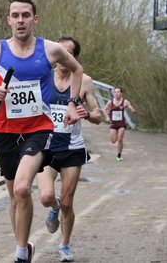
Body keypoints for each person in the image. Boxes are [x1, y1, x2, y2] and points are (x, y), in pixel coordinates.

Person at [0, 0, 84, 262]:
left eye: (26, 15)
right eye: (15, 15)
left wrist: (72, 104)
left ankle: (21, 256)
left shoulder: (50, 49)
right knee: (14, 197)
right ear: (8, 20)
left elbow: (77, 69)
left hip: (39, 130)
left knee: (22, 189)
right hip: (5, 131)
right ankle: (25, 247)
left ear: (35, 19)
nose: (21, 20)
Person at [36, 35, 101, 262]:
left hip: (72, 148)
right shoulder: (43, 77)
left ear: (75, 57)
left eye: (69, 53)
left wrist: (88, 114)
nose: (64, 57)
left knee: (67, 202)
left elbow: (98, 116)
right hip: (46, 148)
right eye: (60, 51)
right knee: (46, 197)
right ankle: (52, 209)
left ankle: (64, 245)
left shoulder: (85, 81)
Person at [102, 87, 136, 161]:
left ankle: (119, 154)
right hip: (113, 123)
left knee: (120, 139)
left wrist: (132, 109)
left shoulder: (125, 102)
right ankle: (115, 135)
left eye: (118, 92)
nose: (116, 94)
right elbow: (104, 109)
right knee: (113, 141)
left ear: (121, 93)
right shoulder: (110, 102)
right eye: (115, 92)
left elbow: (130, 107)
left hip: (121, 123)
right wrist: (107, 117)